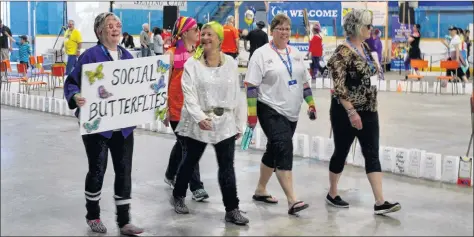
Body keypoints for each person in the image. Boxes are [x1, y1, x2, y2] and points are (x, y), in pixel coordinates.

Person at [63, 12, 144, 235]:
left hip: (124, 127)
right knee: (97, 170)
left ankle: (124, 220)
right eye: (110, 25)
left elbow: (138, 88)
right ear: (100, 31)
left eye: (118, 24)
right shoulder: (89, 56)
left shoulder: (128, 57)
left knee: (124, 171)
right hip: (97, 126)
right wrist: (76, 96)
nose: (115, 28)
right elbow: (71, 83)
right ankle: (93, 215)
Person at [171, 21, 249, 225]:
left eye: (209, 34)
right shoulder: (192, 65)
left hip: (225, 123)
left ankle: (232, 209)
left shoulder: (231, 63)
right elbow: (189, 95)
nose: (204, 38)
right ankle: (178, 195)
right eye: (202, 34)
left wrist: (239, 123)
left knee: (227, 167)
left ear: (219, 39)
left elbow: (236, 94)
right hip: (200, 122)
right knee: (190, 161)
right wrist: (199, 117)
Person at [325, 9, 401, 215]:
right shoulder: (341, 52)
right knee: (341, 151)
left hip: (369, 110)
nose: (371, 29)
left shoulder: (365, 47)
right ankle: (332, 192)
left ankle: (380, 201)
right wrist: (351, 112)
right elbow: (339, 87)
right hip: (346, 112)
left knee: (372, 153)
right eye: (368, 26)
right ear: (358, 27)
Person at [244, 13, 317, 215]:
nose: (284, 32)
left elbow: (304, 82)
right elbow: (251, 86)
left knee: (273, 150)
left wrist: (311, 104)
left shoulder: (295, 54)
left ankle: (260, 190)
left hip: (291, 112)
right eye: (280, 28)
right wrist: (251, 116)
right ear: (272, 31)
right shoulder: (261, 54)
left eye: (287, 28)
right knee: (283, 146)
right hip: (269, 108)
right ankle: (292, 200)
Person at [164, 16, 209, 202]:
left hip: (194, 109)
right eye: (195, 30)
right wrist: (164, 108)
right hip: (176, 109)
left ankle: (170, 174)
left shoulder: (199, 53)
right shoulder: (171, 54)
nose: (198, 33)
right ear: (184, 33)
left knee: (183, 144)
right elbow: (163, 83)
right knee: (189, 146)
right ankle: (196, 186)